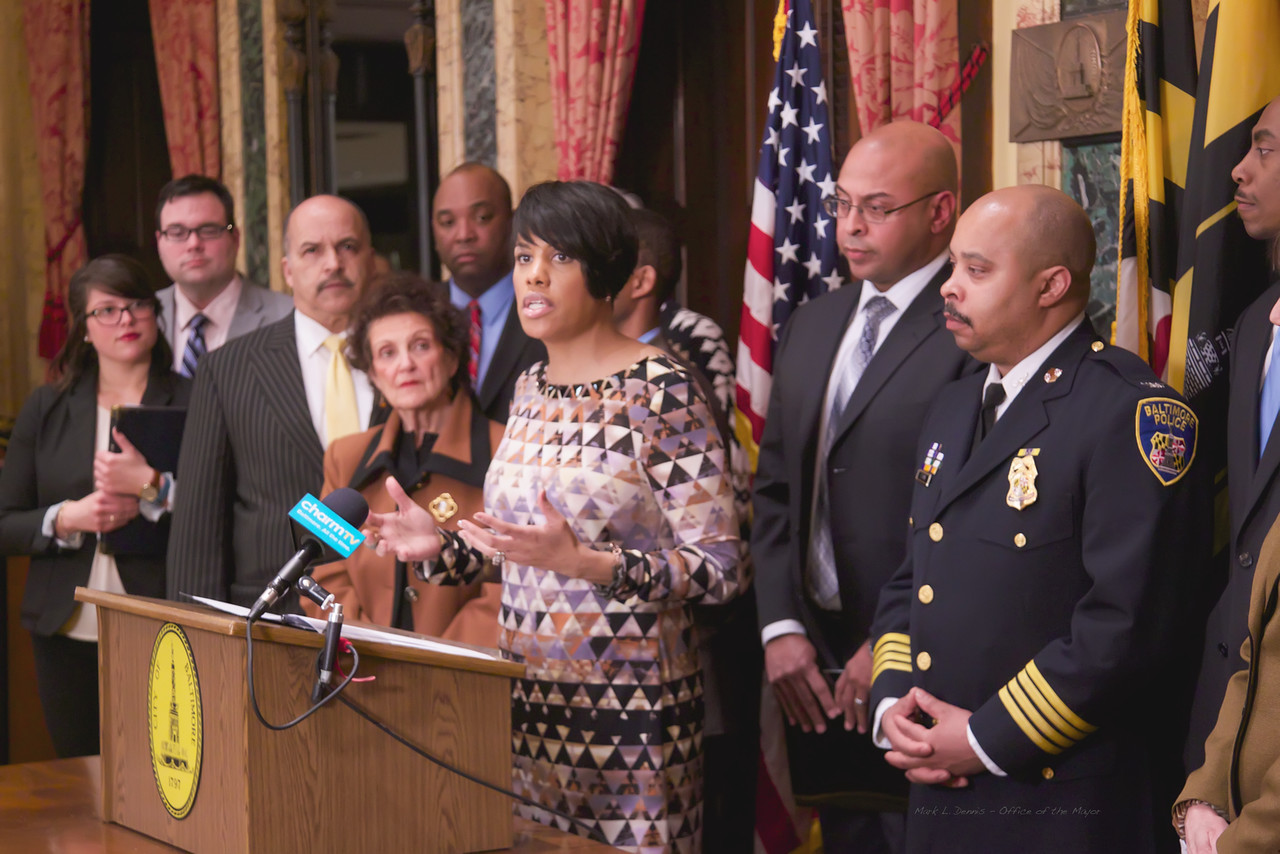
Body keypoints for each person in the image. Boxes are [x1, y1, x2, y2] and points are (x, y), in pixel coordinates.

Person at [365, 180, 744, 852]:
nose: (534, 275)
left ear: (606, 273)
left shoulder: (663, 389)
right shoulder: (531, 386)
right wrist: (443, 544)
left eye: (559, 258)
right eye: (524, 257)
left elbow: (719, 571)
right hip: (531, 707)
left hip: (633, 716)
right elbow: (522, 546)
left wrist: (589, 563)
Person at [867, 185, 1204, 853]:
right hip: (940, 789)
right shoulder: (956, 405)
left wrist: (986, 739)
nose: (950, 289)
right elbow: (914, 579)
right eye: (954, 267)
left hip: (1058, 801)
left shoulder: (1128, 415)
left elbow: (1126, 628)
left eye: (978, 270)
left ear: (1051, 285)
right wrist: (892, 704)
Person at [750, 120, 974, 853]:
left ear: (940, 212)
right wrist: (780, 627)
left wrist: (888, 642)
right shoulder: (815, 323)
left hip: (922, 660)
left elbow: (967, 511)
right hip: (810, 661)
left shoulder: (971, 327)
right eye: (842, 202)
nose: (849, 226)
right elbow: (777, 489)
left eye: (877, 207)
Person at [0, 255, 190, 757]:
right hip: (65, 621)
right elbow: (5, 522)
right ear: (84, 328)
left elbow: (222, 510)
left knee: (163, 771)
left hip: (163, 613)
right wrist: (66, 518)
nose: (125, 319)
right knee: (78, 771)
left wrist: (155, 485)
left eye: (137, 306)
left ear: (156, 314)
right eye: (107, 310)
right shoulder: (47, 407)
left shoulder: (195, 400)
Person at [614, 206, 760, 852]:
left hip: (681, 630)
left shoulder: (682, 361)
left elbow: (707, 532)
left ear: (639, 280)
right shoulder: (547, 372)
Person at [166, 195, 378, 609]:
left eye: (347, 247)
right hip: (270, 620)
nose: (332, 263)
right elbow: (199, 526)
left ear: (370, 259)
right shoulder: (228, 369)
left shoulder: (412, 362)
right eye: (312, 250)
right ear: (288, 270)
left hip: (392, 617)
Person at [1176, 95, 1280, 854]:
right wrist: (1208, 788)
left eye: (1267, 150)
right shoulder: (1254, 322)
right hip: (1228, 715)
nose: (1238, 171)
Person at [300, 272, 503, 645]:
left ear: (452, 357)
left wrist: (433, 664)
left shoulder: (504, 449)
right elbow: (324, 570)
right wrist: (365, 646)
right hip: (359, 670)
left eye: (421, 346)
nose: (405, 364)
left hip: (465, 682)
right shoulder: (345, 456)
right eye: (387, 353)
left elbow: (511, 584)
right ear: (373, 374)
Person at [433, 162, 545, 422]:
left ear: (512, 221)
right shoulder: (416, 313)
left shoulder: (548, 308)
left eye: (482, 217)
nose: (463, 235)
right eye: (447, 222)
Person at [152, 174, 293, 376]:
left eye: (208, 230)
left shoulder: (288, 317)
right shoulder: (141, 317)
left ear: (235, 239)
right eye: (177, 232)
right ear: (159, 242)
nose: (193, 244)